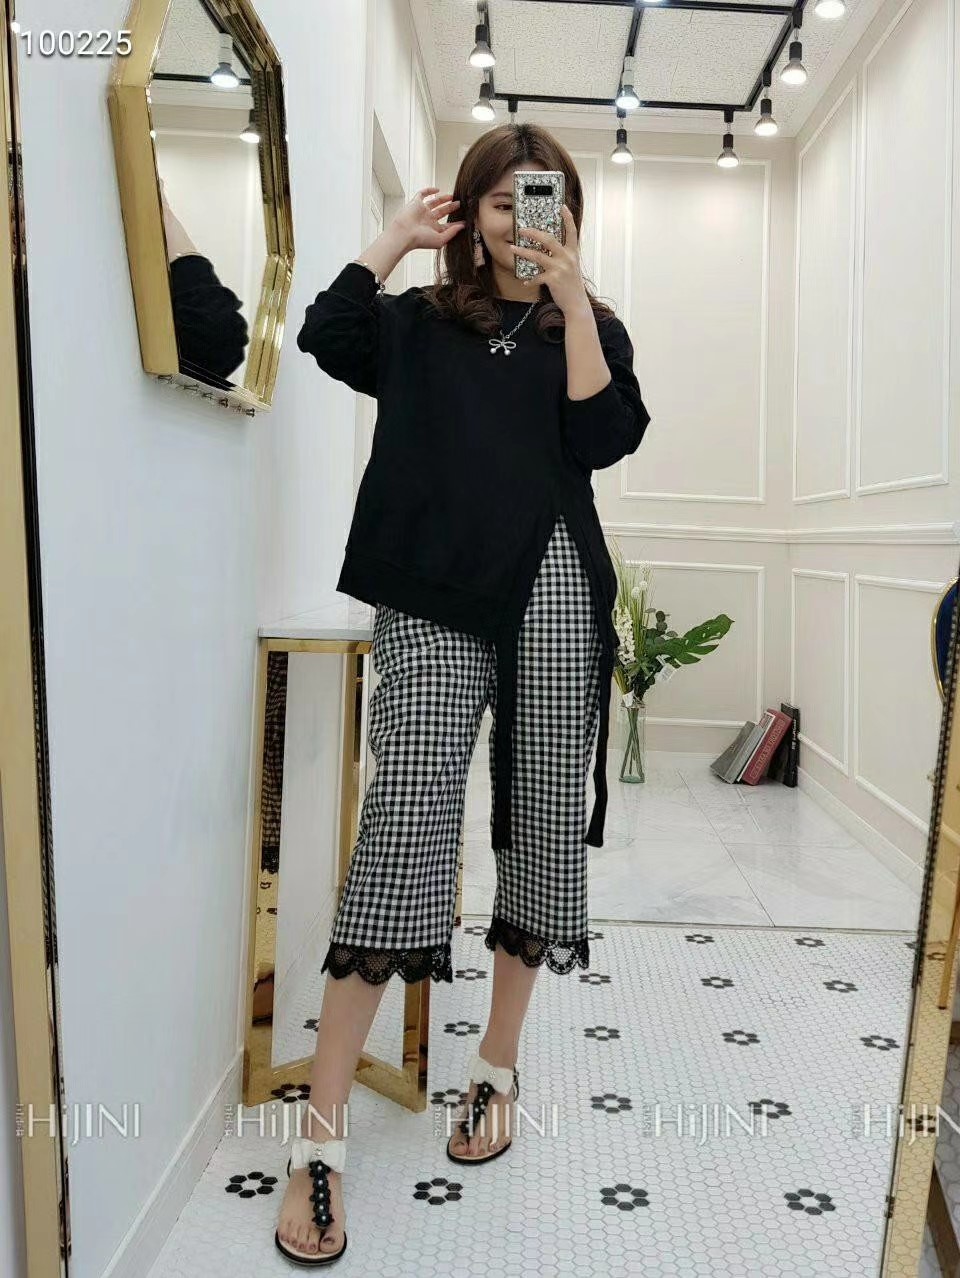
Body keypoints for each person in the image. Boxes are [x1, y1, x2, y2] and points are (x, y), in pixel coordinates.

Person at [274, 122, 651, 1266]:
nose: (522, 220)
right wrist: (393, 238)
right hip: (433, 594)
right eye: (502, 201)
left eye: (544, 200)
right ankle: (320, 1136)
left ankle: (495, 1068)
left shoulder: (589, 326)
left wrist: (572, 294)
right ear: (472, 214)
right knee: (404, 830)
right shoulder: (420, 324)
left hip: (553, 590)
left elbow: (604, 436)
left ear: (567, 213)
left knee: (540, 826)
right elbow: (325, 331)